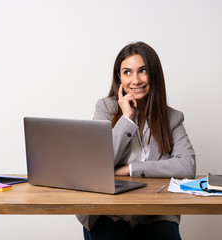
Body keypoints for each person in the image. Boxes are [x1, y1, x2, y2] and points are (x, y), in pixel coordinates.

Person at [77, 41, 196, 240]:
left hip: (155, 212)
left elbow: (187, 165)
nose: (136, 80)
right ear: (119, 77)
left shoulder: (172, 117)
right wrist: (126, 119)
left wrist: (130, 169)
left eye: (142, 71)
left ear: (154, 75)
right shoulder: (106, 109)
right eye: (127, 72)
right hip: (109, 210)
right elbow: (98, 163)